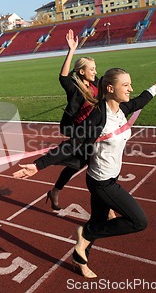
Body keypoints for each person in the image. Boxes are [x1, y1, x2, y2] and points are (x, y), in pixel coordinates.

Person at [14, 67, 156, 278]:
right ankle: (84, 233)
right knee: (139, 221)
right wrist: (38, 165)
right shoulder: (97, 117)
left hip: (111, 177)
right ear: (110, 88)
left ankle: (79, 260)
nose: (131, 88)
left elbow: (141, 100)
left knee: (98, 220)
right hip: (102, 182)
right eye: (126, 85)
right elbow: (71, 144)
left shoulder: (121, 109)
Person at [47, 29, 115, 218]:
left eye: (95, 68)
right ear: (82, 71)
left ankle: (55, 191)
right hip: (80, 133)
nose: (95, 71)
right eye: (91, 69)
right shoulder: (74, 88)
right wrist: (71, 51)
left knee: (79, 165)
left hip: (93, 132)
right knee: (94, 166)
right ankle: (107, 206)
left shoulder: (96, 86)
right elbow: (62, 77)